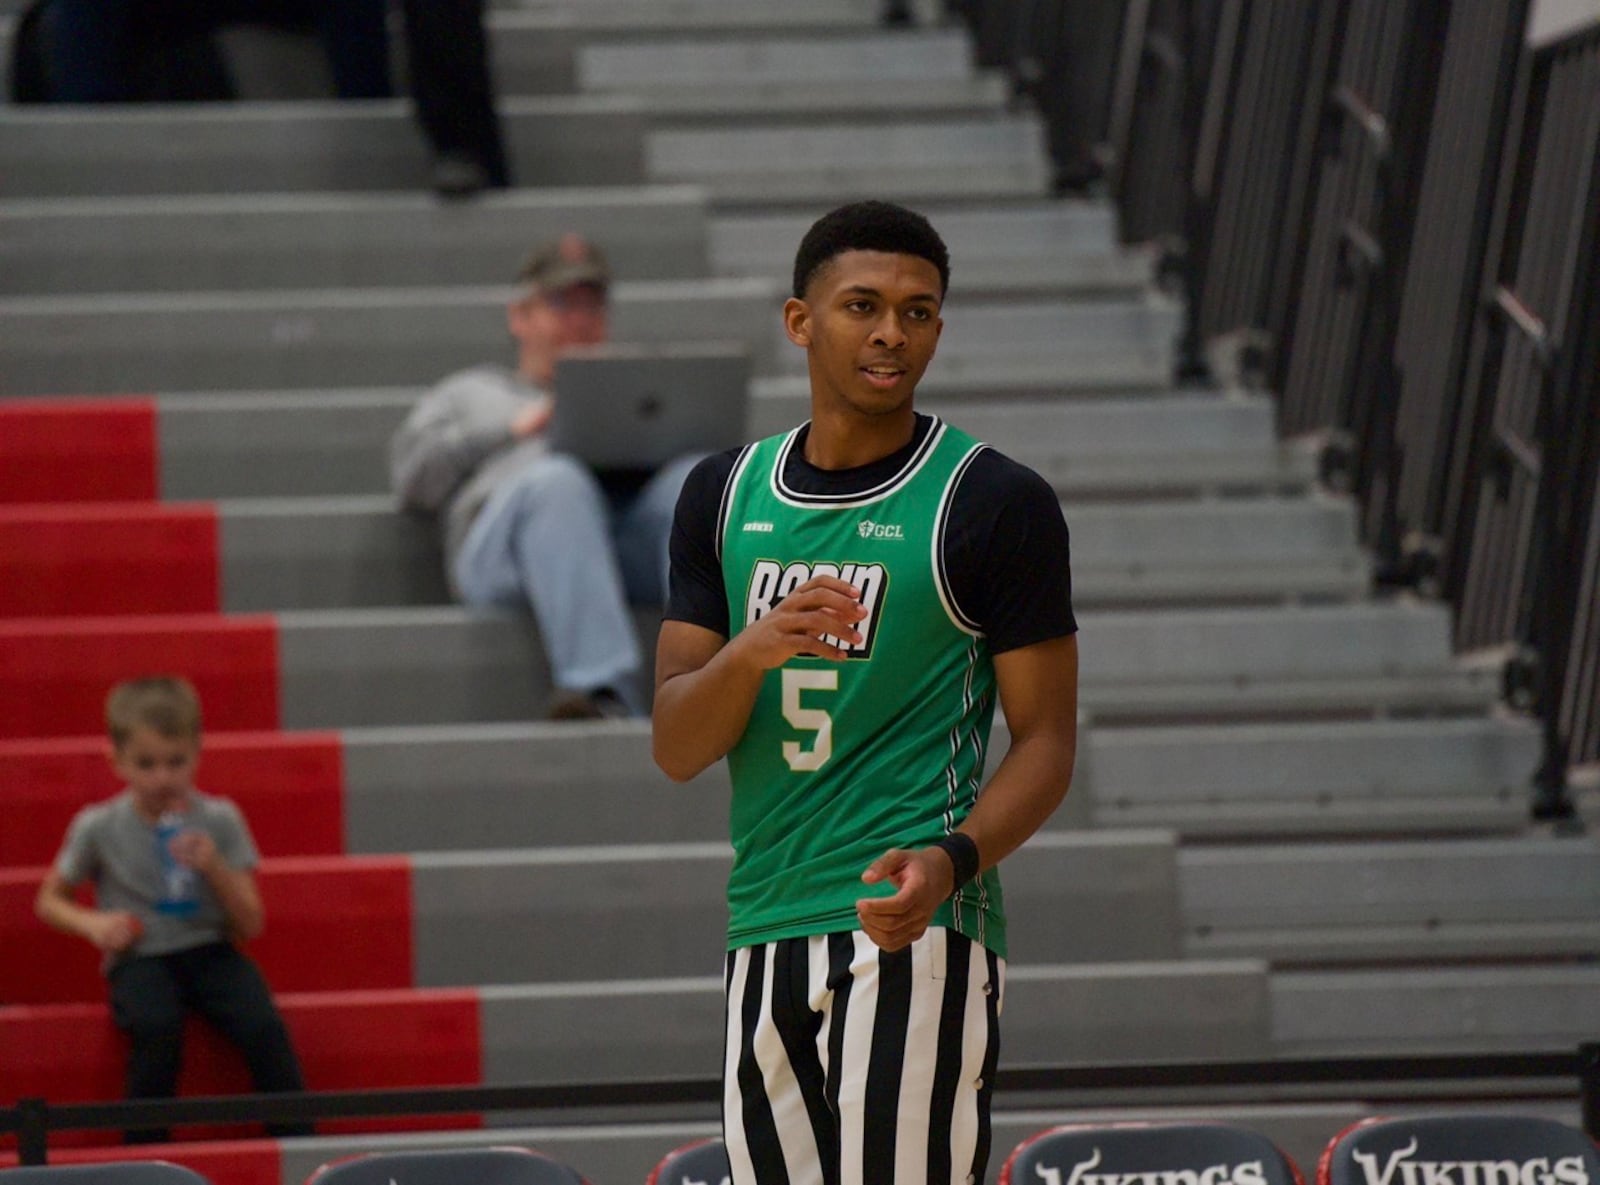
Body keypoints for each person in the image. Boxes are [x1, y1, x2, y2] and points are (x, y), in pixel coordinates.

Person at [652, 200, 1079, 1184]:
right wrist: (752, 652)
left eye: (919, 311)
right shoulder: (721, 496)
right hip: (762, 925)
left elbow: (1047, 742)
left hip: (910, 923)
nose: (893, 332)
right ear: (800, 321)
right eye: (863, 305)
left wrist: (950, 859)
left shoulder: (991, 501)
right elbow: (676, 745)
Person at [390, 233, 698, 720]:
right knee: (559, 481)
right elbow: (410, 478)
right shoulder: (473, 392)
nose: (580, 321)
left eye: (592, 306)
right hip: (503, 553)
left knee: (691, 483)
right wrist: (513, 429)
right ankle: (603, 691)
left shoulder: (634, 396)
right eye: (561, 304)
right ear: (520, 317)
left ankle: (715, 685)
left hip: (614, 551)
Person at [34, 676, 310, 1144]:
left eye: (175, 762)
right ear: (117, 761)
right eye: (146, 764)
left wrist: (215, 867)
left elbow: (252, 922)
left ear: (197, 754)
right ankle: (144, 1151)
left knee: (262, 1023)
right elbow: (48, 899)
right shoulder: (98, 826)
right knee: (156, 1024)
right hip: (141, 954)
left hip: (209, 948)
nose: (162, 777)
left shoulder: (219, 819)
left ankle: (297, 1138)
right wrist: (95, 922)